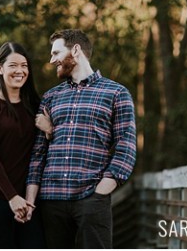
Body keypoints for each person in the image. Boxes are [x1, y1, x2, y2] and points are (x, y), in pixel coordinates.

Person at [26, 29, 136, 249]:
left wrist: (102, 189)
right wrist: (31, 199)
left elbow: (126, 146)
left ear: (75, 50)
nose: (51, 60)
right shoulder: (50, 97)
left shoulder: (116, 93)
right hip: (52, 200)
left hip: (91, 197)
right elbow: (38, 154)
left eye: (56, 52)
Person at [0, 42, 46, 248]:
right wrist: (12, 197)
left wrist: (49, 130)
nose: (19, 71)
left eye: (24, 65)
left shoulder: (36, 106)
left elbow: (42, 152)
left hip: (29, 203)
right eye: (13, 65)